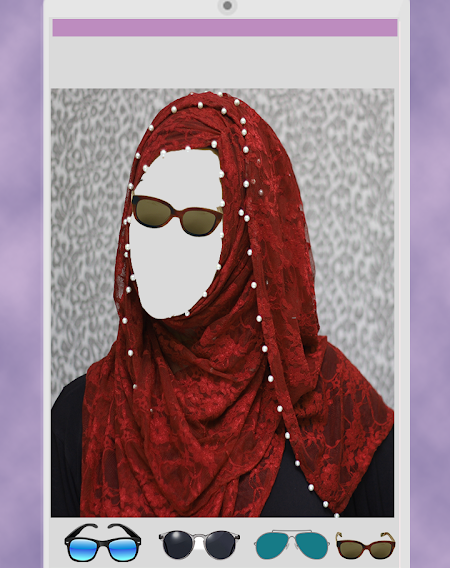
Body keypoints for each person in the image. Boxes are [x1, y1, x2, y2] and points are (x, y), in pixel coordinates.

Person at [52, 92, 393, 518]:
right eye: (151, 212)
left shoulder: (336, 412)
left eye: (198, 221)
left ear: (249, 239)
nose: (164, 243)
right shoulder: (81, 417)